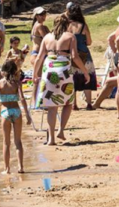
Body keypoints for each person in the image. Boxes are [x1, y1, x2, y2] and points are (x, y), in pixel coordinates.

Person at [33, 14, 89, 145]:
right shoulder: (70, 36)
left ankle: (51, 139)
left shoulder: (47, 37)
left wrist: (35, 74)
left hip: (49, 70)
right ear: (67, 24)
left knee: (52, 107)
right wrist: (85, 72)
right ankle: (61, 130)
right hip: (64, 71)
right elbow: (75, 57)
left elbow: (39, 57)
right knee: (68, 103)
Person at [0, 60, 32, 174]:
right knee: (18, 141)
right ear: (15, 71)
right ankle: (21, 167)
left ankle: (7, 169)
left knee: (6, 142)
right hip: (16, 112)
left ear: (3, 71)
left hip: (5, 112)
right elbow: (22, 99)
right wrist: (28, 115)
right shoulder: (17, 83)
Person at [66, 4, 97, 110]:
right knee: (88, 76)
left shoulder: (68, 26)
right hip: (85, 54)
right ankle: (89, 103)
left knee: (73, 78)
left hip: (72, 54)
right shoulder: (83, 25)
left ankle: (74, 104)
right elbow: (89, 42)